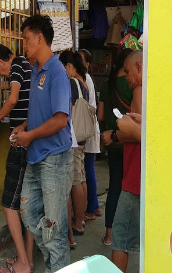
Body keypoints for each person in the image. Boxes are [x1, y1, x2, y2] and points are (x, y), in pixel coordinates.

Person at [12, 15, 73, 272]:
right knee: (28, 214)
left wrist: (30, 135)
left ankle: (55, 264)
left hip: (55, 159)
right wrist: (25, 127)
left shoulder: (57, 72)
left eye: (26, 40)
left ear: (40, 39)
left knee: (54, 228)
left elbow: (60, 120)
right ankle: (52, 259)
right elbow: (41, 110)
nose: (24, 45)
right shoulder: (36, 69)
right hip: (36, 156)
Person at [0, 44, 34, 273]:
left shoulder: (16, 66)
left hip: (20, 142)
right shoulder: (28, 65)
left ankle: (23, 264)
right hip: (30, 139)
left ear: (0, 62)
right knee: (27, 202)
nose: (2, 76)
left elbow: (13, 99)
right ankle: (28, 259)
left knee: (9, 203)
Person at [104, 50, 143, 272]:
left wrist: (118, 133)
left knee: (119, 239)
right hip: (136, 175)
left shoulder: (139, 90)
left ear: (139, 68)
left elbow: (141, 136)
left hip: (134, 179)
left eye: (128, 72)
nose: (126, 77)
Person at [99, 48, 133, 246]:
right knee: (129, 190)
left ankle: (109, 236)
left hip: (112, 141)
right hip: (129, 141)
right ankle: (127, 235)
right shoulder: (133, 84)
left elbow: (101, 116)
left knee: (114, 187)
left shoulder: (107, 84)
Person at [58, 51, 88, 248]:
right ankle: (81, 218)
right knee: (82, 179)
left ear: (69, 66)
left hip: (74, 138)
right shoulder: (84, 83)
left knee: (75, 181)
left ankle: (77, 223)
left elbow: (67, 109)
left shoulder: (71, 83)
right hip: (82, 137)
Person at [78, 49, 102, 222]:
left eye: (80, 59)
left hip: (87, 129)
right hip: (89, 128)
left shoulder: (84, 79)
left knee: (87, 170)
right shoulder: (86, 78)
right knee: (88, 169)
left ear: (87, 64)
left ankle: (91, 209)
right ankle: (94, 206)